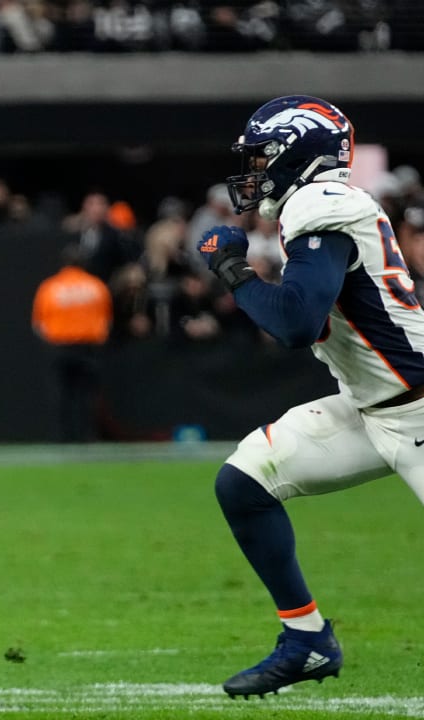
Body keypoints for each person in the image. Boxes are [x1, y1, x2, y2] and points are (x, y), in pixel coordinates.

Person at [197, 95, 424, 698]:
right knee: (245, 481)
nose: (253, 172)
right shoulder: (316, 205)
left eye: (262, 156)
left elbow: (295, 323)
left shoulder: (320, 203)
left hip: (419, 408)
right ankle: (307, 641)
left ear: (300, 153)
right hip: (375, 405)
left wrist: (233, 271)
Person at [30, 243, 112, 442]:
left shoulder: (50, 287)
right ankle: (88, 436)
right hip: (88, 347)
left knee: (62, 396)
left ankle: (64, 437)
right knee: (87, 396)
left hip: (61, 347)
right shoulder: (96, 286)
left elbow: (39, 324)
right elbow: (107, 321)